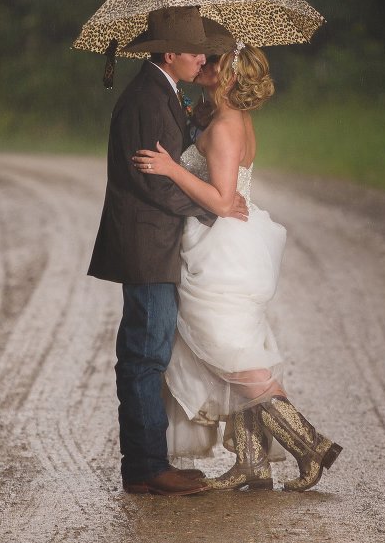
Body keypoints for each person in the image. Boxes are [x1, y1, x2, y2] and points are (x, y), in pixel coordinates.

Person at [132, 43, 342, 491]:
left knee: (232, 355)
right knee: (230, 351)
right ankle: (252, 463)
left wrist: (172, 168)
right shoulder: (224, 118)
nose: (204, 62)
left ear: (228, 77)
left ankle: (311, 446)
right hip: (224, 244)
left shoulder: (227, 125)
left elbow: (224, 201)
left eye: (215, 62)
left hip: (222, 247)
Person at [87, 5, 246, 496]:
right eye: (195, 50)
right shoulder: (147, 99)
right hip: (147, 243)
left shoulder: (163, 93)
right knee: (143, 355)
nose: (203, 58)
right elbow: (151, 183)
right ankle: (145, 467)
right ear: (170, 53)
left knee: (147, 351)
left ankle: (148, 463)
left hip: (155, 242)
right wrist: (211, 210)